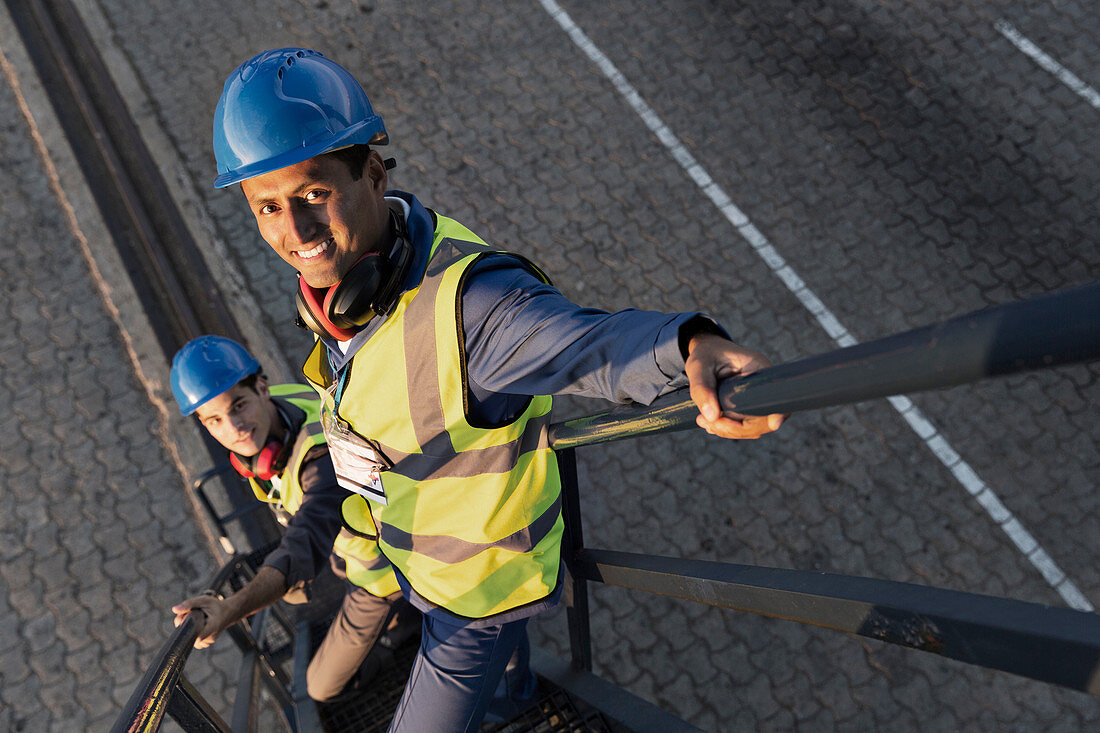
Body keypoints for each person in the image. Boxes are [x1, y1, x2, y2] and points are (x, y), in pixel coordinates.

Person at [210, 47, 785, 730]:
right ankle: (513, 703)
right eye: (267, 208)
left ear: (370, 171)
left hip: (478, 588)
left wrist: (691, 346)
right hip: (428, 558)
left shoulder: (471, 307)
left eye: (312, 196)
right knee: (508, 686)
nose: (295, 231)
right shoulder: (349, 291)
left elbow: (583, 344)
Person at [168, 335, 419, 702]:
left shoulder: (321, 458)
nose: (234, 430)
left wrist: (228, 610)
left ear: (262, 387)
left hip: (384, 572)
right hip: (354, 554)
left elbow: (302, 546)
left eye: (238, 406)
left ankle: (402, 630)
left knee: (317, 688)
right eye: (215, 421)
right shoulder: (285, 407)